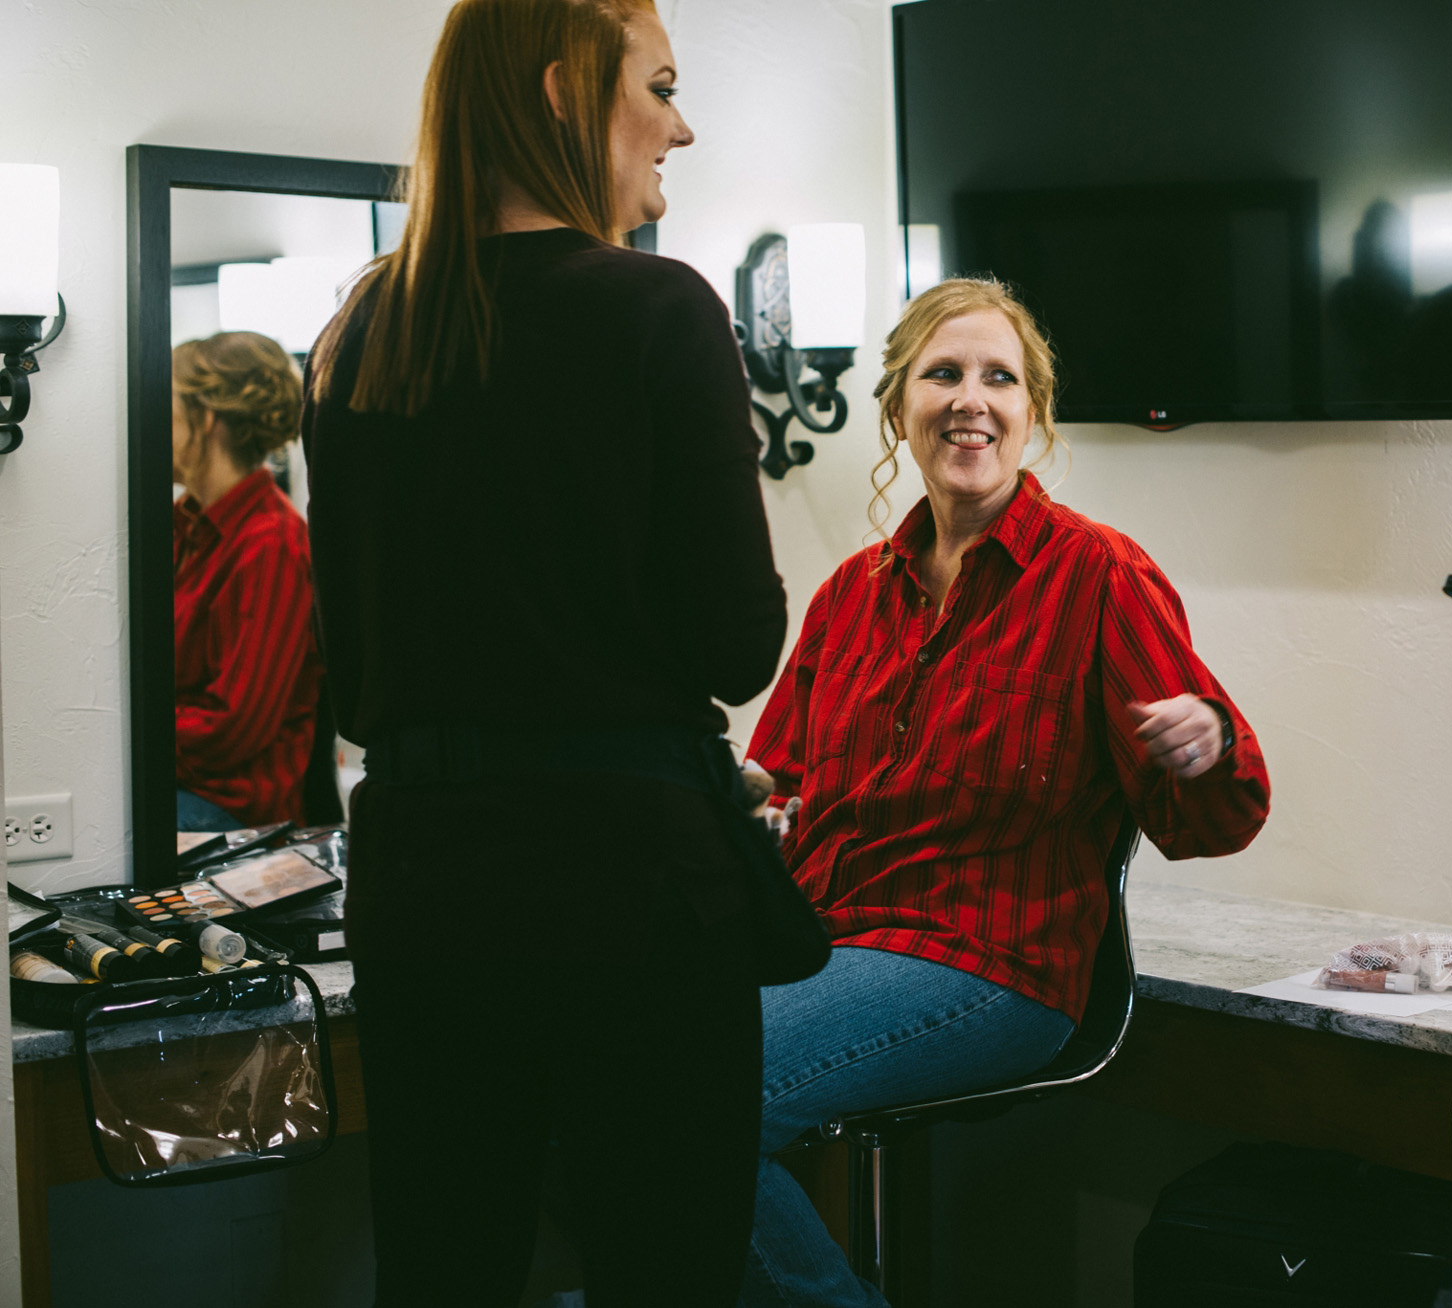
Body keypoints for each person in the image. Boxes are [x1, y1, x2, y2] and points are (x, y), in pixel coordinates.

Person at [302, 0, 787, 1301]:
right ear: (568, 91)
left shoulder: (362, 330)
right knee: (665, 1267)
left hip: (420, 878)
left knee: (444, 1267)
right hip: (628, 881)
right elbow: (738, 645)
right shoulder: (657, 308)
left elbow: (352, 666)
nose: (681, 128)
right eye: (662, 86)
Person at [741, 277, 1271, 1306]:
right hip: (825, 942)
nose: (969, 400)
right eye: (942, 374)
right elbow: (783, 789)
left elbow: (1213, 825)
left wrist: (1205, 747)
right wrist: (744, 797)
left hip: (993, 963)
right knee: (604, 1050)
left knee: (705, 1083)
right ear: (898, 405)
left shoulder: (1099, 575)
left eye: (1000, 379)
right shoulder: (850, 592)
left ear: (1034, 415)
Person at [171, 330, 321, 831]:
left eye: (167, 405)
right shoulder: (185, 527)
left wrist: (124, 733)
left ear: (206, 418)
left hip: (231, 809)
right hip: (180, 782)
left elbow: (233, 727)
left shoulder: (271, 543)